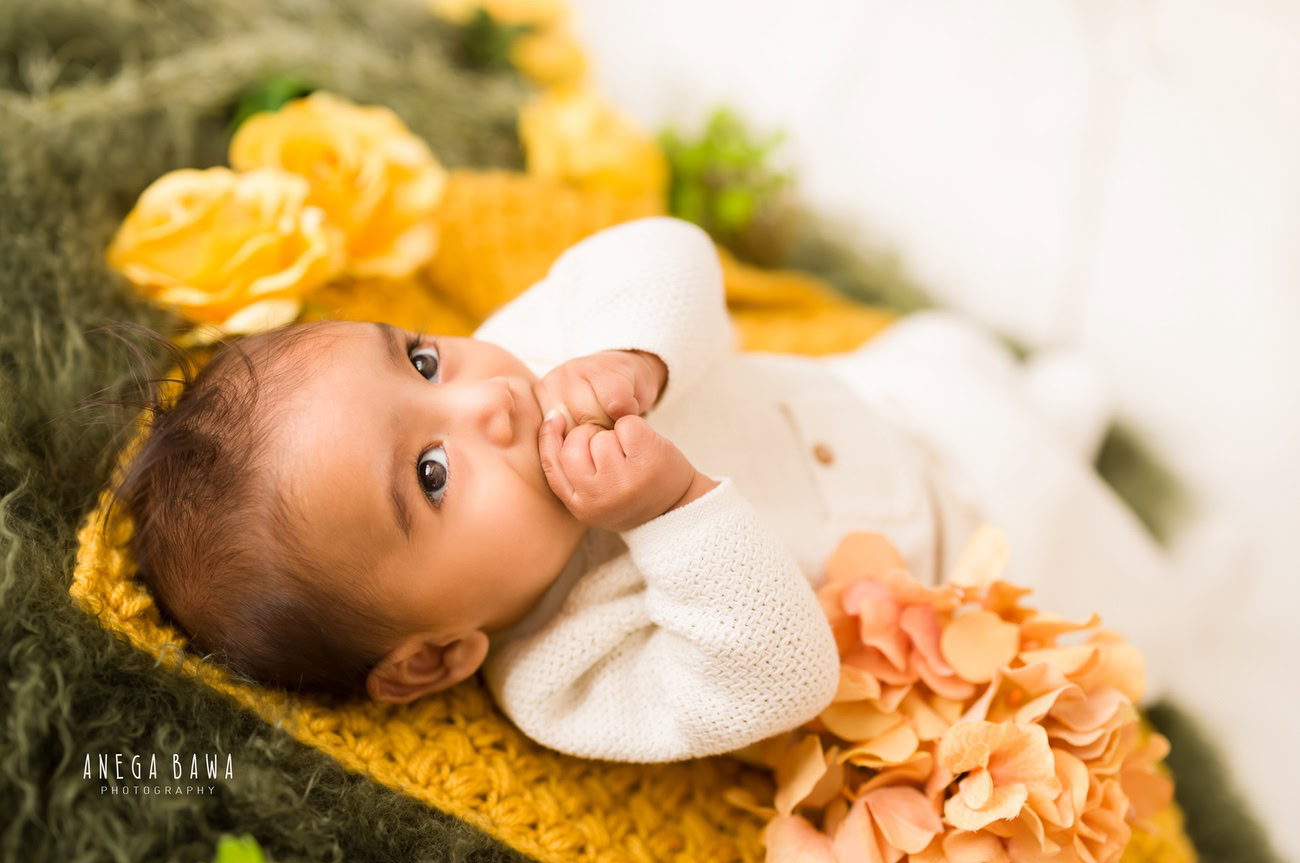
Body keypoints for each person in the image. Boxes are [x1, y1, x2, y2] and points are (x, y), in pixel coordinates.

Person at [112, 217, 1178, 763]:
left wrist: (635, 356)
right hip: (974, 548)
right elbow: (774, 677)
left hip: (882, 397)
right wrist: (668, 515)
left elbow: (664, 254)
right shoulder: (565, 678)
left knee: (955, 359)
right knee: (1131, 621)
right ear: (435, 655)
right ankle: (1072, 460)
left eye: (421, 361)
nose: (482, 403)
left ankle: (1042, 402)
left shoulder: (529, 353)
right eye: (431, 476)